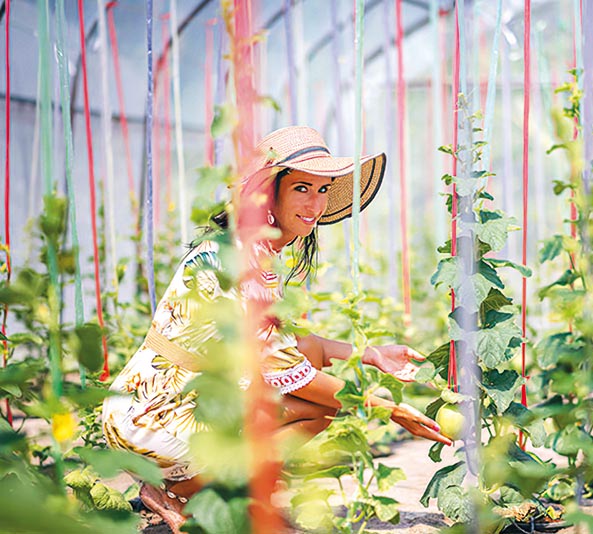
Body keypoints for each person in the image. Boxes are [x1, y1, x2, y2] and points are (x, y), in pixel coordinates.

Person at [101, 126, 450, 533]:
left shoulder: (247, 248)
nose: (315, 204)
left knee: (312, 362)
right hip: (155, 418)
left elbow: (292, 345)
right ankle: (190, 493)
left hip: (144, 406)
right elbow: (291, 375)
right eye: (302, 188)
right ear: (269, 192)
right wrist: (387, 408)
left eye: (323, 190)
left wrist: (370, 353)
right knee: (323, 404)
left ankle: (226, 495)